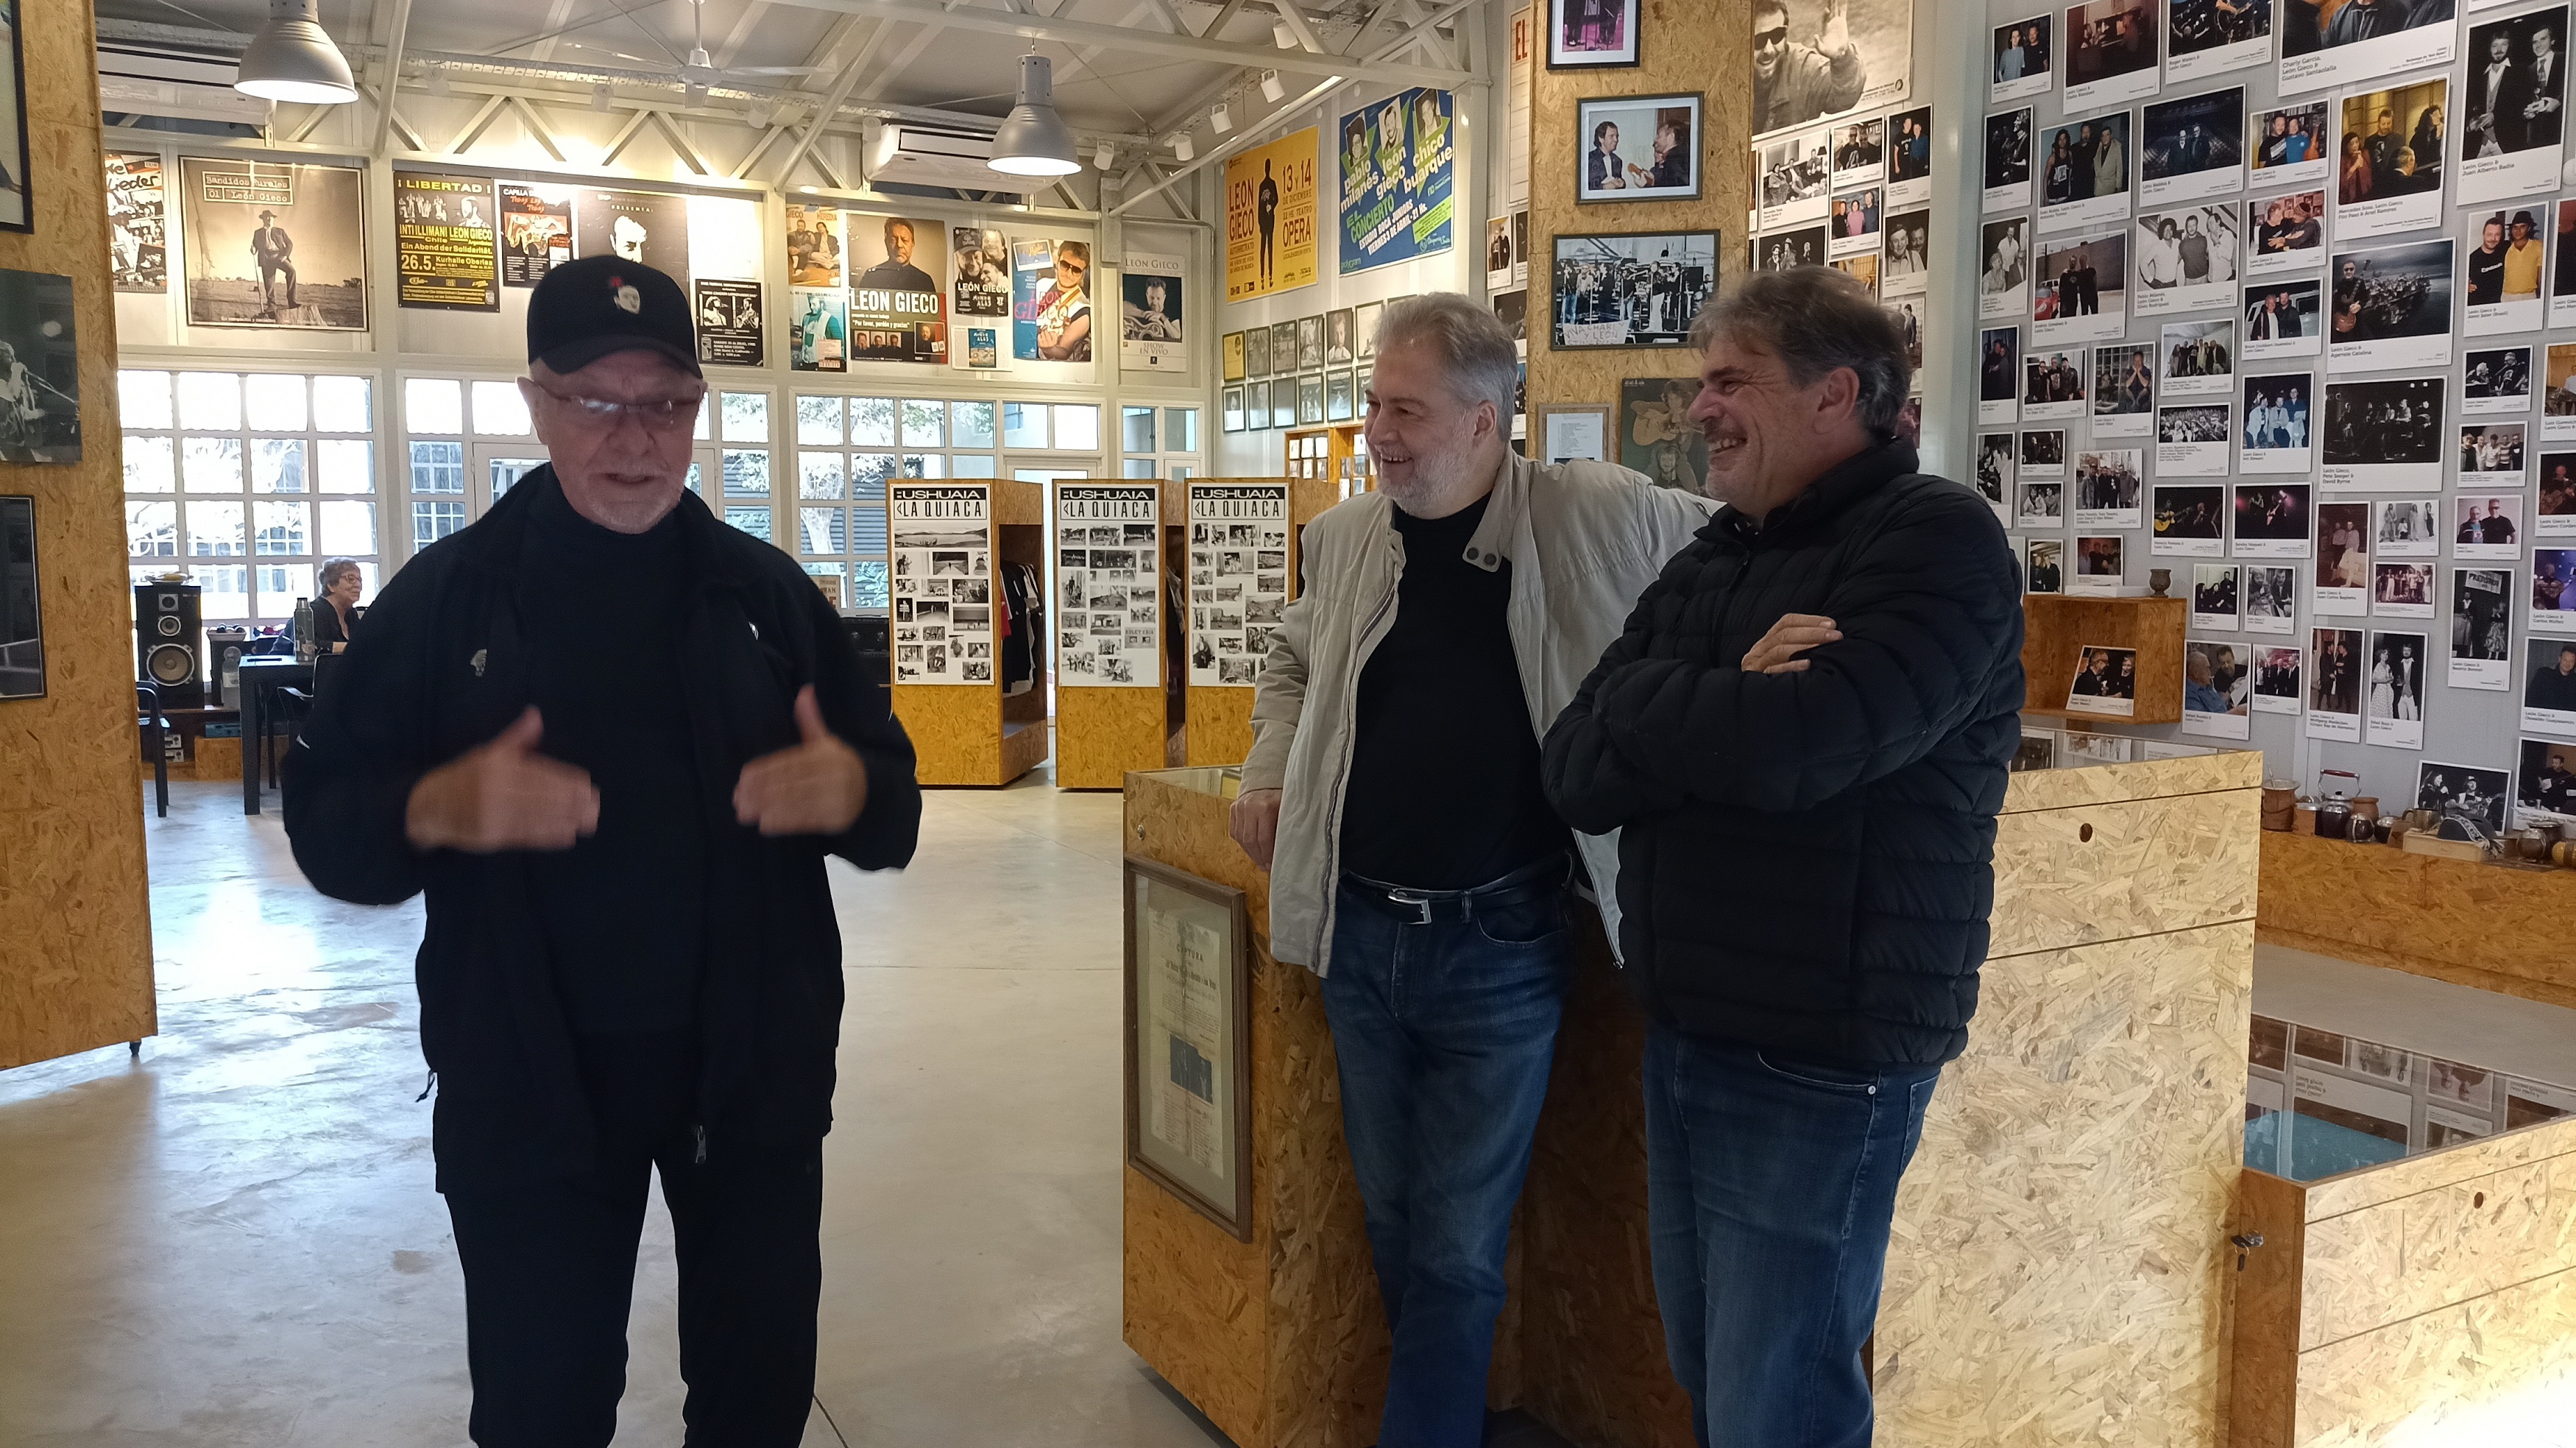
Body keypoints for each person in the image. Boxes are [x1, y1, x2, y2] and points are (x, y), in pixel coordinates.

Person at [283, 255, 921, 1446]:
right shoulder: (446, 604)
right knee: (542, 1408)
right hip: (526, 1083)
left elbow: (895, 805)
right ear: (535, 401)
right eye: (595, 400)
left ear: (698, 411)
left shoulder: (765, 600)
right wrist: (434, 807)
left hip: (751, 1076)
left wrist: (852, 791)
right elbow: (324, 825)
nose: (635, 437)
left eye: (666, 404)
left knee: (756, 1394)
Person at [1539, 268, 2025, 1448]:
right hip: (1692, 1029)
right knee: (1713, 1374)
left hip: (1823, 1054)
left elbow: (1804, 748)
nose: (1699, 407)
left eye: (1730, 381)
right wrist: (1724, 690)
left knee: (1780, 1404)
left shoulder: (1938, 538)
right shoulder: (1720, 552)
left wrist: (1663, 705)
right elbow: (1574, 765)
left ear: (1835, 394)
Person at [1225, 294, 1710, 1448]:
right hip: (1355, 941)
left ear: (1486, 420)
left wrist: (1780, 655)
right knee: (1398, 1229)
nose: (1377, 433)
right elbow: (1289, 662)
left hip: (1499, 951)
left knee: (1454, 1253)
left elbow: (1746, 544)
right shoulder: (1348, 538)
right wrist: (1268, 766)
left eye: (1406, 410)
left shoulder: (1593, 510)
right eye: (1373, 405)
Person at [1754, 0, 1868, 134]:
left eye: (1776, 36)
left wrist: (1842, 59)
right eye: (1759, 40)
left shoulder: (1802, 68)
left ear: (1785, 35)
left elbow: (1845, 98)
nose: (1768, 50)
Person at [1033, 241, 1093, 361]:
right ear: (1057, 261)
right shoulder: (1041, 284)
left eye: (1076, 270)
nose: (1069, 274)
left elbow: (1064, 351)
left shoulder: (1083, 311)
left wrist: (1049, 349)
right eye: (1065, 265)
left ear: (1083, 274)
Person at [854, 217, 933, 294]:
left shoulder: (924, 280)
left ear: (912, 243)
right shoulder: (872, 276)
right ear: (886, 243)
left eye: (905, 240)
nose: (899, 245)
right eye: (893, 240)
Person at [306, 557, 363, 655]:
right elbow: (309, 646)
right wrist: (354, 647)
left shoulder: (351, 614)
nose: (358, 585)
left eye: (360, 580)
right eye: (351, 579)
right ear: (331, 585)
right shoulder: (313, 612)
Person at [250, 208, 297, 312]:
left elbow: (289, 244)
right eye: (267, 218)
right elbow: (255, 246)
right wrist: (253, 249)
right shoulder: (258, 233)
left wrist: (285, 256)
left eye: (271, 218)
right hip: (266, 259)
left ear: (273, 219)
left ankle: (292, 302)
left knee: (292, 271)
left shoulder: (280, 231)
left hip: (279, 257)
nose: (270, 219)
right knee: (269, 284)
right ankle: (272, 306)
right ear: (263, 220)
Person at [1257, 160, 1280, 286]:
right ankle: (1262, 276)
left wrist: (1271, 206)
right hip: (1263, 221)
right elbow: (1258, 206)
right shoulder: (1262, 185)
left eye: (1268, 167)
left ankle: (1270, 275)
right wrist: (1259, 222)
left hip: (1270, 219)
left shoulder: (1272, 183)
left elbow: (1277, 199)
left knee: (1270, 247)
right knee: (1262, 249)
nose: (1267, 169)